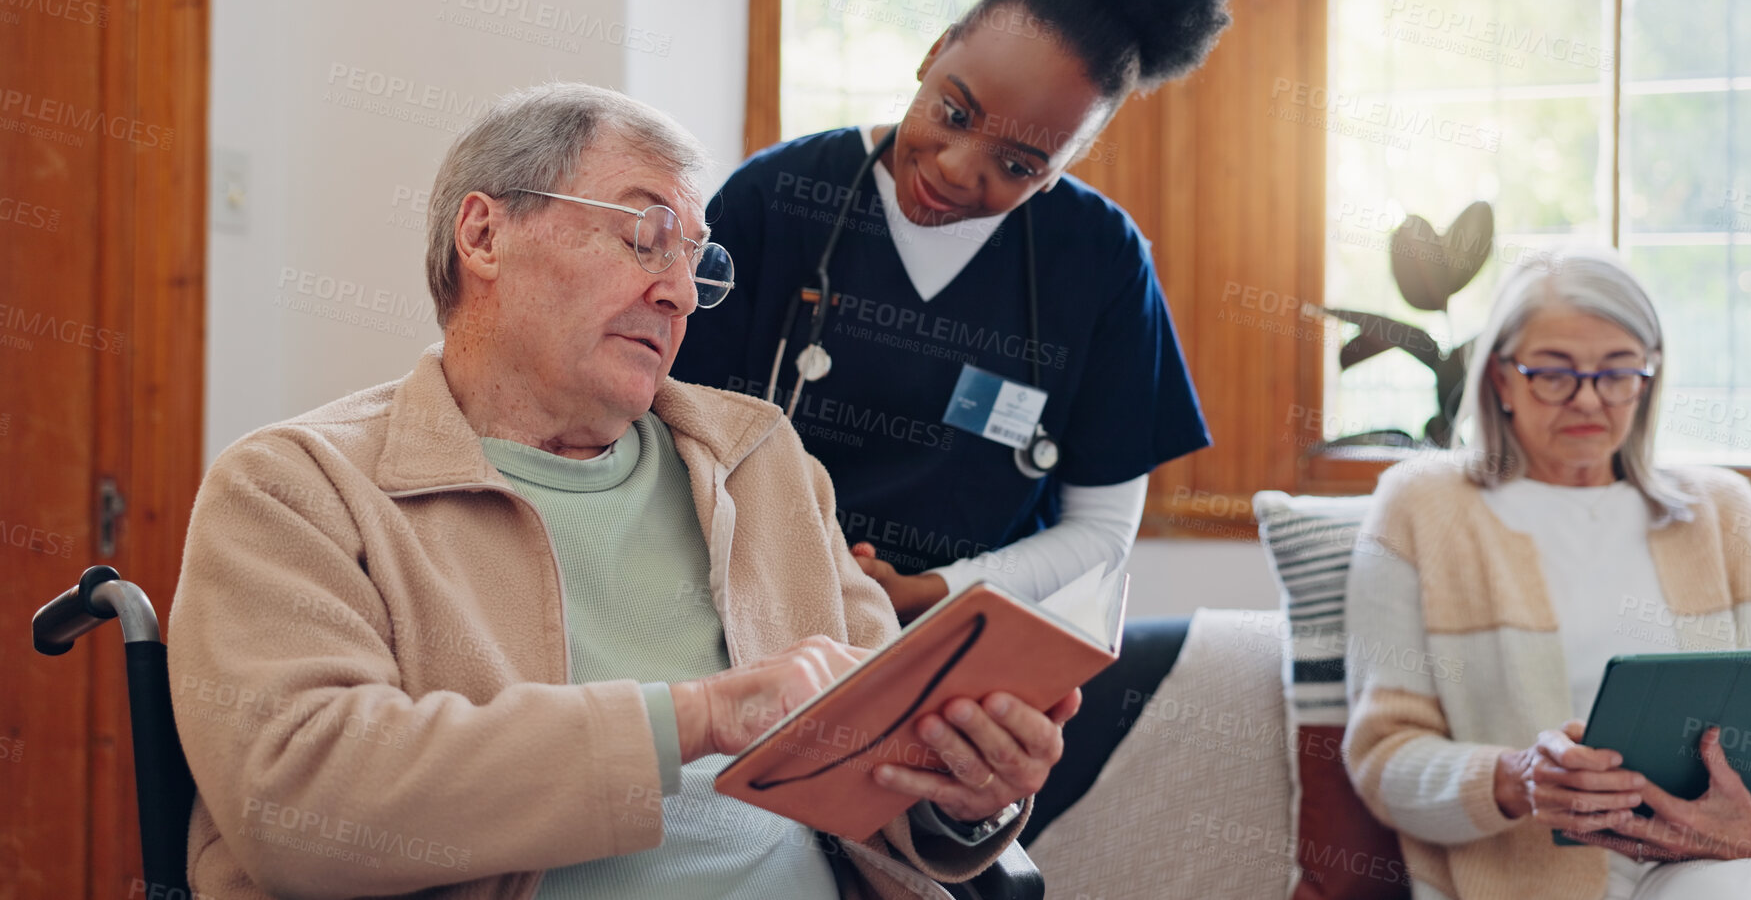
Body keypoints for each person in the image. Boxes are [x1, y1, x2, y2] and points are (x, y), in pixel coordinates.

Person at [168, 83, 1077, 900]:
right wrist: (703, 716)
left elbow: (879, 762)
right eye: (646, 234)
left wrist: (962, 790)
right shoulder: (295, 487)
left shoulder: (764, 465)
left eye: (697, 261)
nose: (680, 291)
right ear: (483, 235)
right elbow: (297, 800)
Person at [671, 0, 1237, 838]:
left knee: (927, 835)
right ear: (933, 52)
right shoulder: (776, 200)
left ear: (1066, 165)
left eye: (1020, 164)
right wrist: (822, 595)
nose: (956, 171)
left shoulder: (1099, 264)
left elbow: (1099, 534)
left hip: (953, 665)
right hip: (746, 635)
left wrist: (931, 595)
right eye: (954, 112)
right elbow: (663, 439)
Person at [1343, 251, 1751, 900]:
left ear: (1647, 377)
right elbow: (1383, 754)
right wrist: (1513, 777)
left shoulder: (1723, 511)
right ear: (1500, 378)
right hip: (1533, 876)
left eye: (1617, 371)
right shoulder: (1420, 507)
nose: (1588, 398)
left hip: (1737, 861)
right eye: (1553, 374)